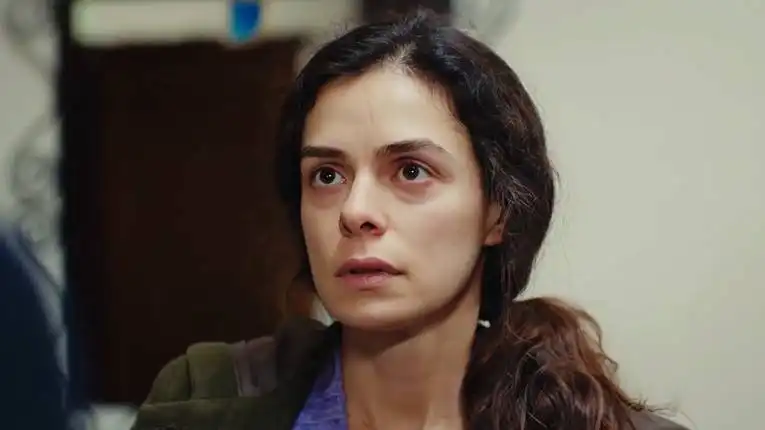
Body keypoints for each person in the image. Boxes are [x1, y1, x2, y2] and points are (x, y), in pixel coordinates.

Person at [131, 11, 687, 430]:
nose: (355, 211)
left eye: (411, 171)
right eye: (327, 175)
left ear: (497, 212)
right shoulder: (207, 398)